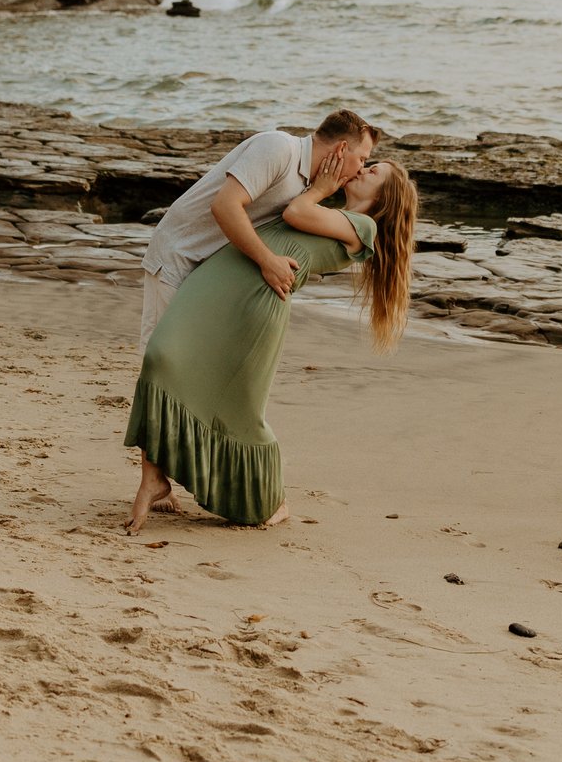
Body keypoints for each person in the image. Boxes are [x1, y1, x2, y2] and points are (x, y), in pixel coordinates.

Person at [123, 153, 419, 532]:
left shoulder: (363, 227)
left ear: (385, 196)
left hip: (255, 301)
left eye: (372, 170)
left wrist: (321, 188)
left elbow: (296, 214)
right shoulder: (329, 209)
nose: (362, 168)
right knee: (163, 358)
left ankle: (269, 500)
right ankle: (157, 478)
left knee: (238, 406)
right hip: (221, 281)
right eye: (367, 162)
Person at [137, 109, 381, 348]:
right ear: (340, 149)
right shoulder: (279, 148)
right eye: (362, 158)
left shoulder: (307, 183)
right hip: (177, 255)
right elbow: (224, 206)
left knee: (192, 360)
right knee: (164, 358)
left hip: (205, 271)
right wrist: (268, 261)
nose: (361, 169)